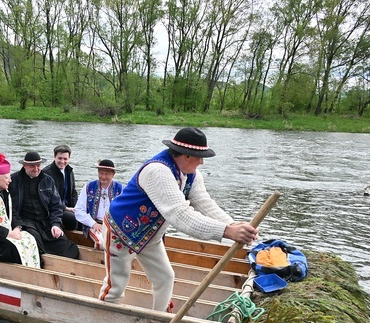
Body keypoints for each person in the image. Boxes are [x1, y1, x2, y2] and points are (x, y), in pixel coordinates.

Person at [100, 127, 259, 312]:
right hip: (121, 231)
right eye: (200, 157)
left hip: (150, 235)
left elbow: (203, 202)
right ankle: (105, 318)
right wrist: (225, 231)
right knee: (116, 285)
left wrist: (231, 224)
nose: (202, 162)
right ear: (186, 156)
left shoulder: (191, 174)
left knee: (165, 277)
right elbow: (180, 215)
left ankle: (158, 321)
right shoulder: (158, 171)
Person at [9, 151, 80, 260]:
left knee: (67, 247)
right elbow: (9, 207)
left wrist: (56, 224)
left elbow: (56, 206)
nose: (36, 169)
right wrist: (17, 225)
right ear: (24, 166)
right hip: (25, 222)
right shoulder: (12, 180)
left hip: (46, 221)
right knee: (35, 242)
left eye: (38, 165)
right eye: (32, 166)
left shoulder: (48, 180)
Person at [74, 159, 123, 250]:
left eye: (107, 174)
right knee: (100, 243)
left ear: (113, 174)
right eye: (101, 173)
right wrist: (93, 224)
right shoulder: (88, 187)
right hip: (95, 225)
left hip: (115, 227)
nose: (103, 177)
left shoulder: (121, 189)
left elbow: (126, 211)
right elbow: (79, 210)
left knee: (120, 245)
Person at [42, 145, 79, 230]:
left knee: (84, 215)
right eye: (60, 158)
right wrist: (66, 208)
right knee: (72, 218)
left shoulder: (69, 171)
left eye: (65, 159)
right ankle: (71, 240)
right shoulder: (46, 174)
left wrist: (75, 207)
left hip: (68, 206)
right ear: (54, 157)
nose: (62, 161)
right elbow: (47, 199)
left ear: (69, 159)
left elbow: (73, 192)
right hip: (53, 209)